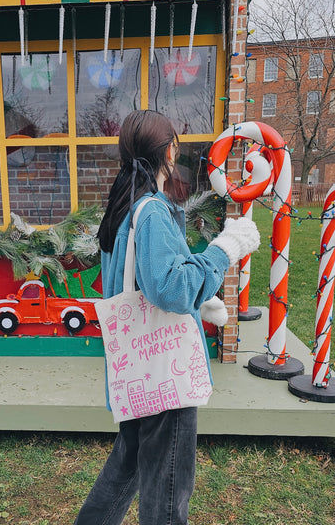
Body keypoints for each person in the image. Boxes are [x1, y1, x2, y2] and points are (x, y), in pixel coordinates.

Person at [73, 110, 260, 525]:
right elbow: (170, 288)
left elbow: (144, 279)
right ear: (170, 150)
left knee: (130, 463)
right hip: (165, 372)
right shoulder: (152, 211)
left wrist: (201, 297)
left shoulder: (122, 208)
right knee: (168, 485)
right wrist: (224, 249)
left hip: (138, 369)